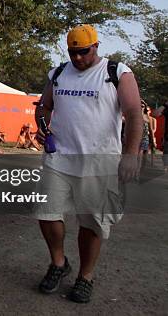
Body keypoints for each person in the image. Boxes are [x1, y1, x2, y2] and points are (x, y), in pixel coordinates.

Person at [34, 24, 141, 303]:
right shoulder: (58, 73)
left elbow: (133, 113)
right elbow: (44, 106)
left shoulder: (116, 72)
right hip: (59, 158)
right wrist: (43, 126)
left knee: (92, 222)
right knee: (47, 214)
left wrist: (131, 154)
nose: (78, 58)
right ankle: (58, 263)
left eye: (83, 52)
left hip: (99, 162)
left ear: (96, 46)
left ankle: (85, 276)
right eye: (73, 53)